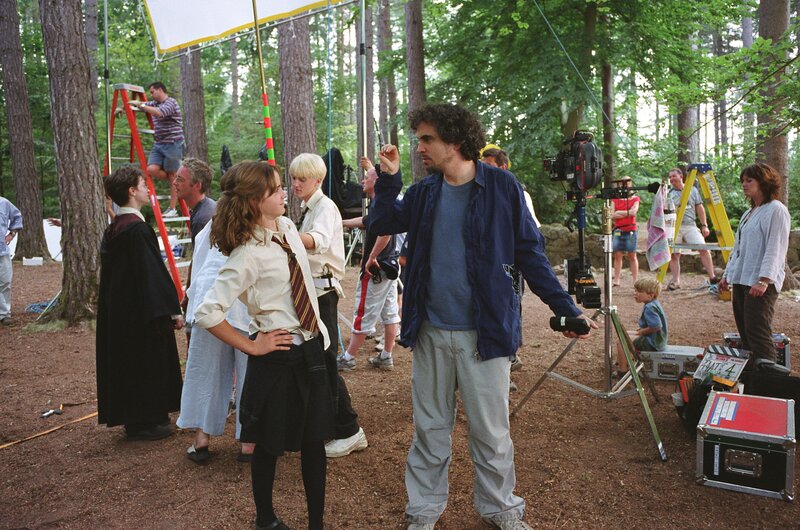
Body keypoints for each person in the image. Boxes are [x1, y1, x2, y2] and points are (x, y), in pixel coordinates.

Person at [368, 103, 594, 530]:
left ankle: (501, 510)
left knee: (491, 434)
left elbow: (530, 253)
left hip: (486, 333)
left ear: (454, 141)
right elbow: (380, 221)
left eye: (427, 139)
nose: (420, 148)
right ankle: (423, 512)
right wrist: (389, 178)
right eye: (419, 139)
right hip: (431, 331)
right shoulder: (422, 193)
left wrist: (566, 308)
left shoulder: (503, 187)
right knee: (430, 431)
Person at [194, 161, 334, 530]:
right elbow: (208, 312)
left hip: (312, 350)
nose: (285, 192)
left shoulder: (287, 228)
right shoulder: (247, 254)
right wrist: (251, 346)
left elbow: (314, 252)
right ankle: (265, 519)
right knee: (269, 445)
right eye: (276, 190)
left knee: (314, 442)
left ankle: (316, 524)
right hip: (278, 359)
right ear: (255, 201)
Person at [96, 166, 183, 441]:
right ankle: (149, 419)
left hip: (121, 312)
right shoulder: (137, 229)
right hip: (143, 313)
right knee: (147, 362)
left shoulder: (114, 229)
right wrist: (171, 310)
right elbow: (151, 273)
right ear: (132, 191)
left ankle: (135, 419)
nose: (148, 189)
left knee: (129, 363)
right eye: (143, 185)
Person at [290, 152, 368, 459]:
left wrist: (284, 235)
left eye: (302, 179)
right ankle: (325, 425)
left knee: (324, 360)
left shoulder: (325, 207)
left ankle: (349, 430)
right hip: (310, 293)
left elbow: (318, 240)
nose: (296, 184)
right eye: (293, 178)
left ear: (318, 180)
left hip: (322, 294)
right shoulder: (310, 207)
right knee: (315, 360)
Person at [176, 220, 253, 463]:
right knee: (249, 371)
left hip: (212, 299)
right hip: (242, 301)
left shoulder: (215, 221)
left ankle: (202, 438)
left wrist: (192, 299)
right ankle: (249, 442)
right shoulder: (258, 219)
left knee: (206, 371)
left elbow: (199, 265)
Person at [719, 163, 790, 366]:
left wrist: (764, 280)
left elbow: (776, 247)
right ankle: (753, 376)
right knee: (745, 332)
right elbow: (738, 249)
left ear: (764, 182)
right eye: (742, 180)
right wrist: (727, 276)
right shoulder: (749, 213)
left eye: (749, 180)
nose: (744, 184)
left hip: (760, 283)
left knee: (757, 332)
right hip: (742, 279)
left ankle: (769, 377)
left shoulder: (776, 210)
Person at [338, 158, 401, 372]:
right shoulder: (379, 202)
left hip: (378, 268)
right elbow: (366, 222)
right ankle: (386, 356)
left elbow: (386, 231)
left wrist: (371, 257)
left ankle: (348, 358)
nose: (363, 180)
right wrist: (340, 223)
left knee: (363, 311)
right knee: (390, 312)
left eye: (367, 177)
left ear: (377, 182)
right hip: (389, 266)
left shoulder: (382, 203)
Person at [173, 157, 216, 344]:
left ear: (197, 185)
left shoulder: (203, 217)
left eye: (180, 179)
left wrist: (189, 296)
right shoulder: (204, 209)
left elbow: (202, 262)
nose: (174, 183)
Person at [128, 81, 184, 217]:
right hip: (159, 144)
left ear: (160, 90)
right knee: (151, 169)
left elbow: (159, 113)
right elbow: (138, 105)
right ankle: (175, 177)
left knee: (172, 175)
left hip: (173, 143)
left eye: (153, 92)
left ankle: (172, 209)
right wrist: (123, 108)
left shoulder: (171, 103)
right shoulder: (154, 103)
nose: (151, 95)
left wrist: (141, 105)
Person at [666, 167, 719, 289]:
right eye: (670, 177)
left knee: (703, 248)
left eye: (674, 176)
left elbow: (699, 208)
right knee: (674, 254)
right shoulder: (669, 193)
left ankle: (712, 277)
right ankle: (676, 282)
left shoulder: (692, 190)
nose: (671, 179)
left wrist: (704, 225)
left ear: (681, 176)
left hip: (690, 225)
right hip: (674, 227)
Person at [617, 278, 667, 374]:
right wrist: (639, 331)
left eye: (639, 291)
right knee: (623, 334)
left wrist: (641, 332)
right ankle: (624, 361)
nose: (635, 293)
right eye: (635, 290)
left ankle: (623, 370)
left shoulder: (649, 307)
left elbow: (656, 326)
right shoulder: (653, 303)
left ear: (650, 295)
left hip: (653, 343)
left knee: (621, 341)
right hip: (657, 340)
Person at [481, 146, 541, 226]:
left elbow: (530, 228)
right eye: (482, 166)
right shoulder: (478, 193)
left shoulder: (521, 195)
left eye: (489, 166)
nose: (483, 170)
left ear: (503, 167)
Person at [611, 177, 640, 287]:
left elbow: (634, 212)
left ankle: (635, 280)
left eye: (627, 182)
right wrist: (627, 213)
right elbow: (612, 214)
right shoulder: (615, 199)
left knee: (632, 255)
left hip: (630, 229)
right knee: (617, 255)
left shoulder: (635, 198)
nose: (624, 185)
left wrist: (619, 212)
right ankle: (616, 279)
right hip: (618, 229)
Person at [0, 195, 22, 326]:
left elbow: (17, 217)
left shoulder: (4, 203)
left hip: (2, 251)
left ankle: (4, 314)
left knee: (5, 281)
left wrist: (11, 234)